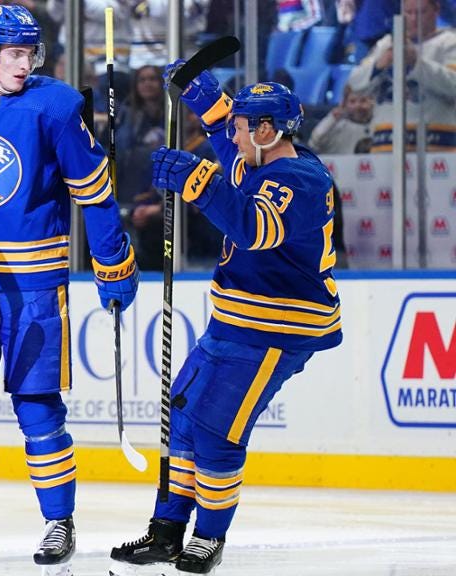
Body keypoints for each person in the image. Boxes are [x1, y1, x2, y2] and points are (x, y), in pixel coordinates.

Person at [0, 5, 139, 575]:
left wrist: (112, 260)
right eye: (13, 54)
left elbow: (94, 190)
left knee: (38, 405)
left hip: (34, 282)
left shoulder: (58, 105)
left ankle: (58, 522)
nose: (24, 65)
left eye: (30, 54)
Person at [108, 72, 343, 575]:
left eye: (240, 128)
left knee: (217, 431)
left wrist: (198, 183)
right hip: (232, 322)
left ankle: (207, 539)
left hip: (275, 330)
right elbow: (226, 148)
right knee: (184, 421)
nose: (231, 139)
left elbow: (253, 227)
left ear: (266, 131)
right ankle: (168, 532)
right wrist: (207, 100)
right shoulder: (256, 156)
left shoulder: (303, 179)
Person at [347, 0, 456, 152]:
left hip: (436, 144)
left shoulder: (450, 42)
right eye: (409, 12)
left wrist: (417, 64)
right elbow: (354, 84)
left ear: (436, 10)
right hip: (385, 142)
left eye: (420, 12)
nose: (413, 18)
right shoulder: (386, 44)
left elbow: (453, 85)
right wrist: (378, 66)